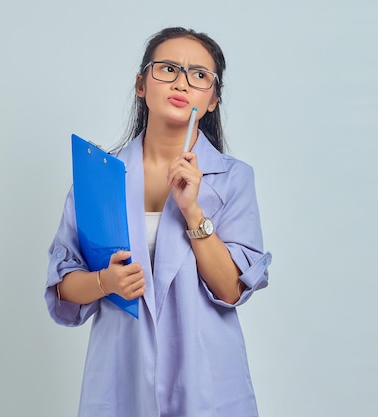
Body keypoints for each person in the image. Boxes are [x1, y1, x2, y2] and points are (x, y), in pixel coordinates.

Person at [45, 27, 272, 417]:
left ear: (213, 98)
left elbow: (231, 289)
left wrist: (192, 211)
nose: (182, 82)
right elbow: (62, 289)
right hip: (122, 374)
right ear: (140, 84)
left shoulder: (234, 178)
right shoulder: (98, 176)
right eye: (168, 68)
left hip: (206, 380)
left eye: (200, 75)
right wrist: (105, 282)